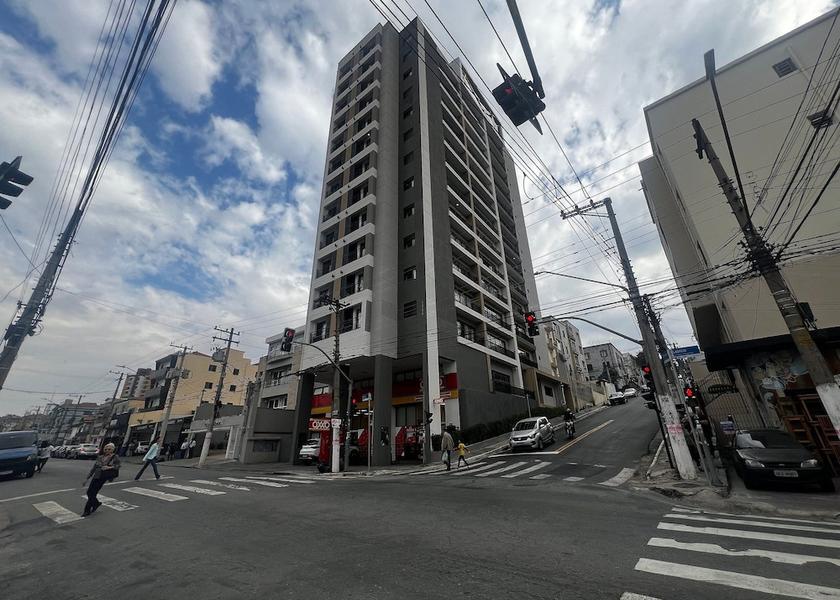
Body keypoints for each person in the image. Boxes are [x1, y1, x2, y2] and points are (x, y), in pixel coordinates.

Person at [82, 442, 120, 516]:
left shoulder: (115, 457)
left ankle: (87, 510)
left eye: (109, 449)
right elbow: (94, 468)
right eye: (105, 449)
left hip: (103, 477)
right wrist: (87, 479)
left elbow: (118, 466)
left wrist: (109, 467)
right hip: (96, 475)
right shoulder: (100, 457)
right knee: (89, 492)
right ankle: (96, 503)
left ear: (112, 450)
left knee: (93, 493)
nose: (107, 450)